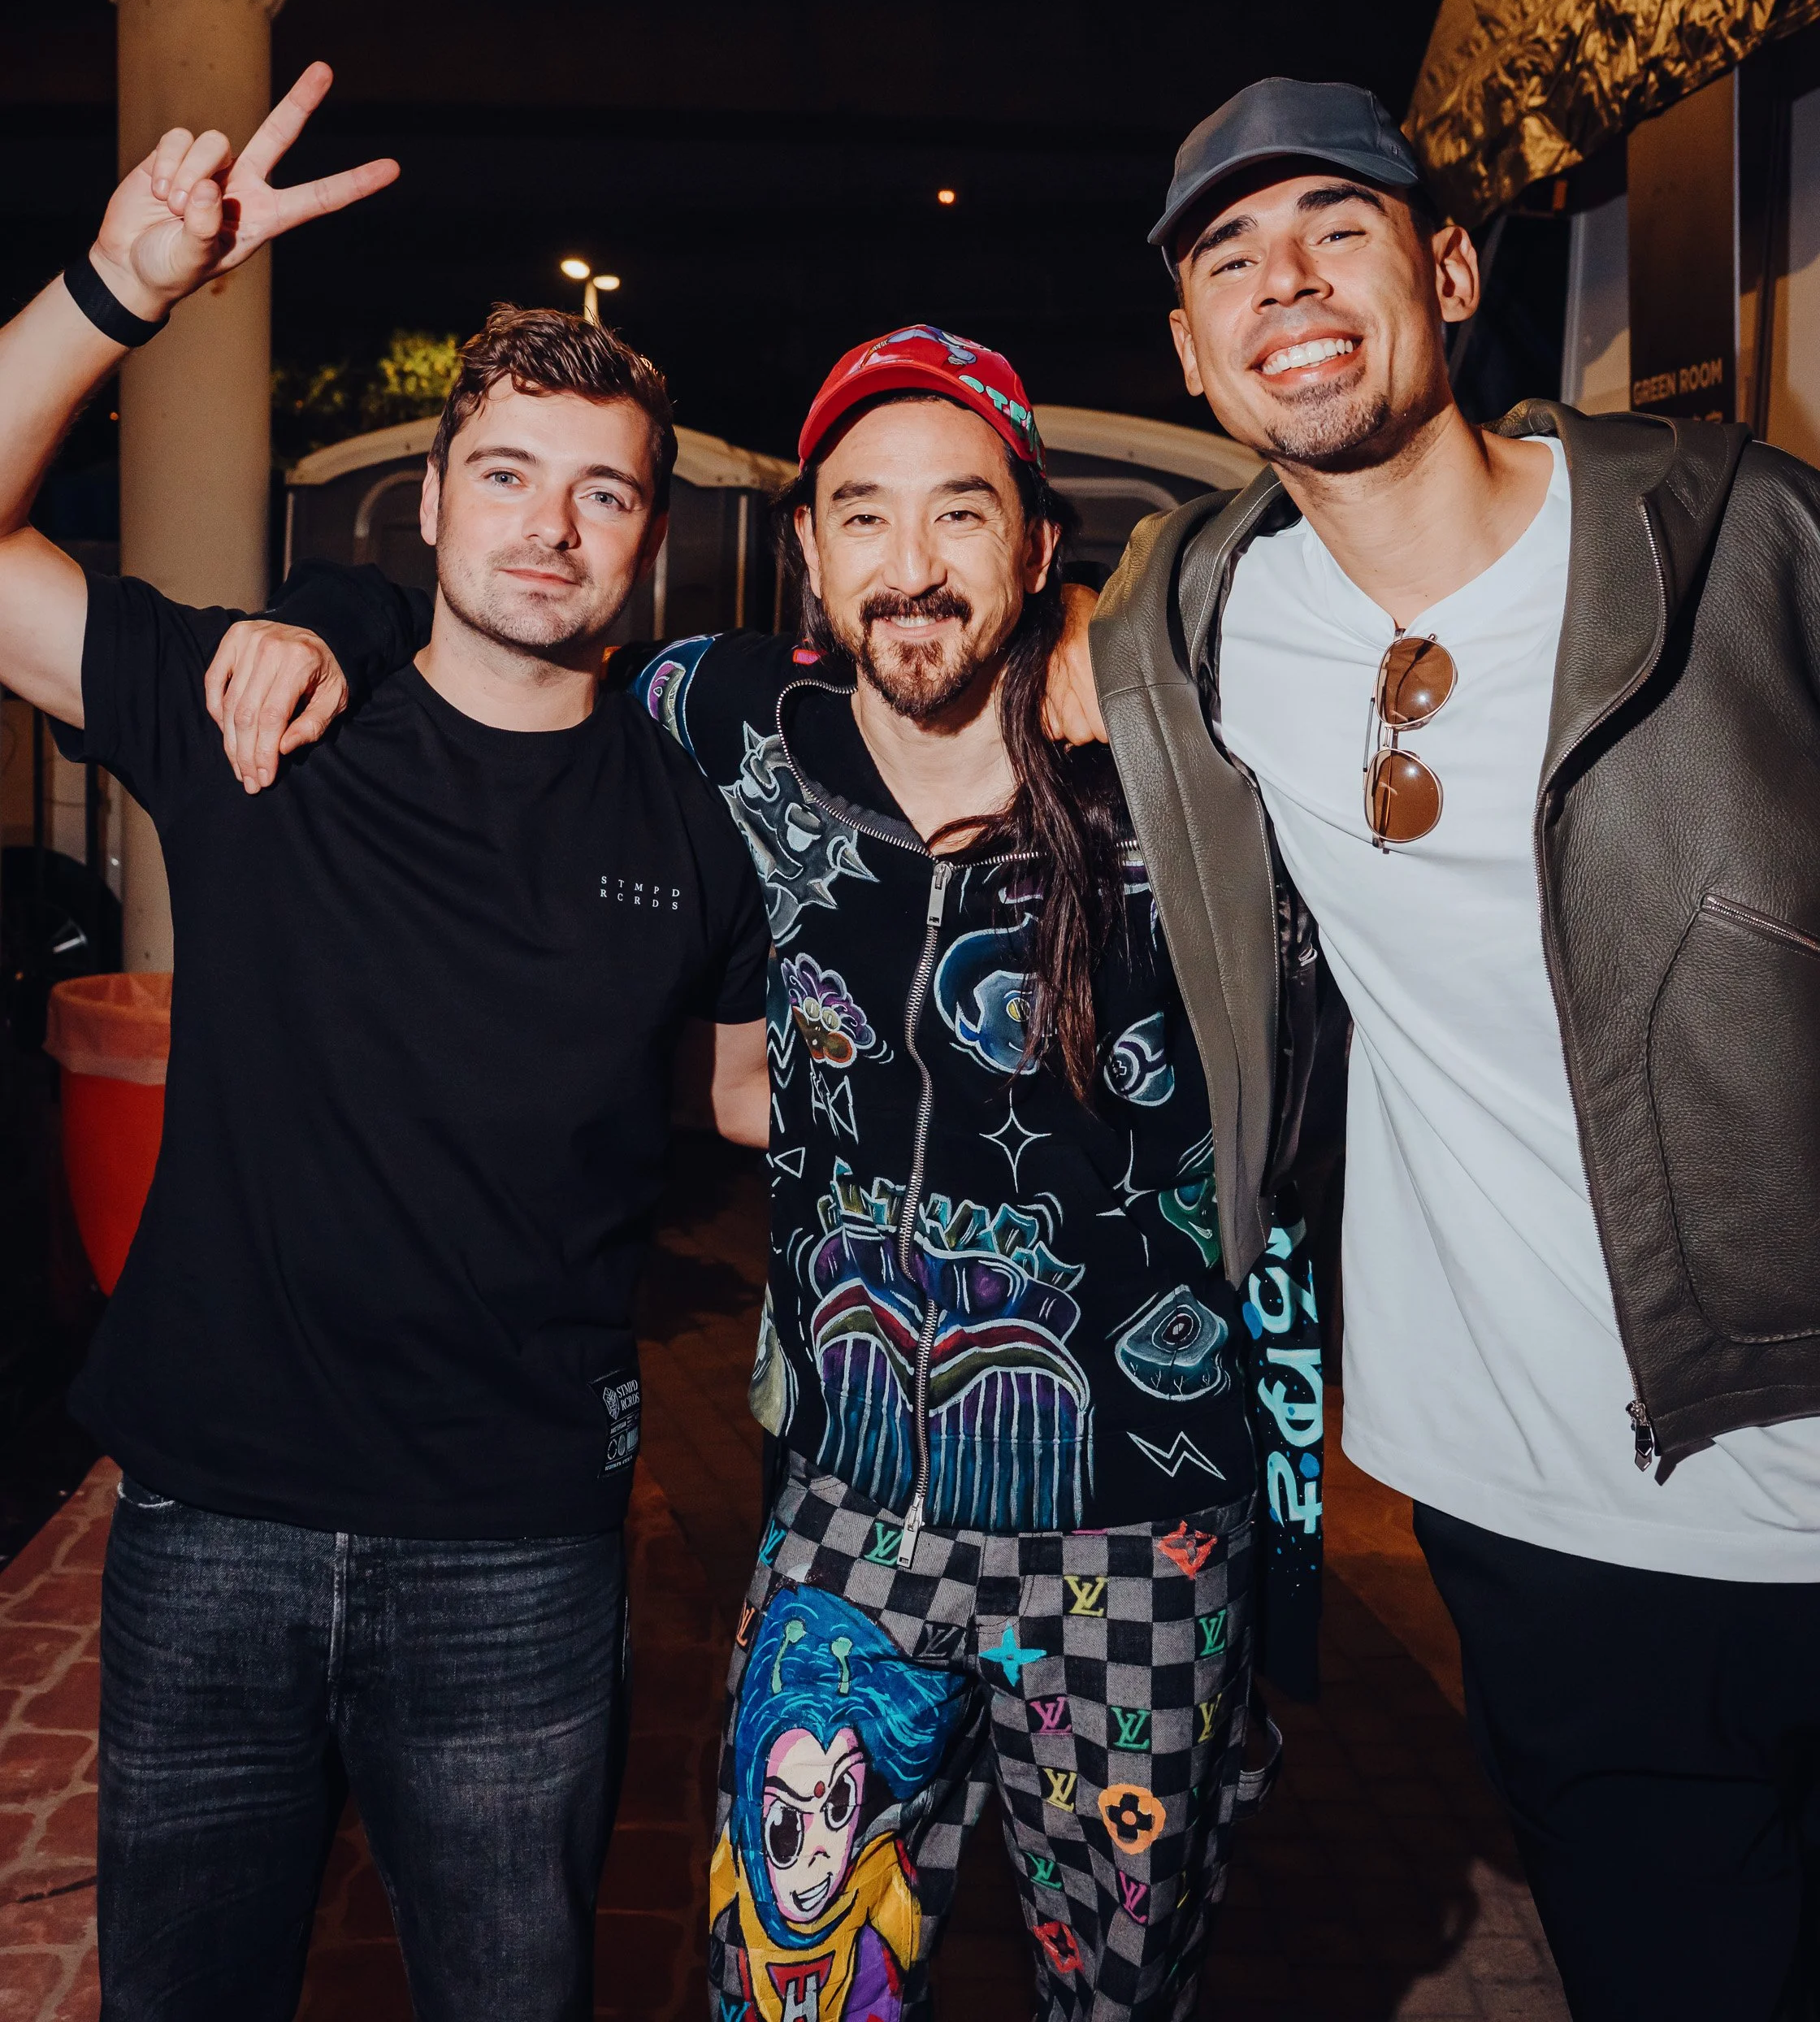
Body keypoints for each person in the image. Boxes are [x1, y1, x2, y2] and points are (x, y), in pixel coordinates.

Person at [216, 323, 1325, 2022]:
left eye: (959, 515)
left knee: (1124, 1994)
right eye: (863, 515)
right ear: (808, 550)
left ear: (1035, 548)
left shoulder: (1194, 781)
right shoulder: (723, 723)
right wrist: (336, 609)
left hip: (1141, 1530)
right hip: (844, 1524)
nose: (911, 564)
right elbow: (500, 655)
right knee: (789, 1985)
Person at [0, 65, 771, 2021]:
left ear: (648, 540)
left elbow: (745, 1086)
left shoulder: (696, 830)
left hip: (514, 1558)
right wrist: (110, 288)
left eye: (601, 489)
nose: (549, 523)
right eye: (505, 472)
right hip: (212, 1531)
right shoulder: (266, 720)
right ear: (427, 500)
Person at [1046, 76, 1820, 2021]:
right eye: (1228, 257)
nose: (1283, 283)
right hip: (1532, 1508)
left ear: (1448, 268)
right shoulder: (1189, 615)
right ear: (1191, 352)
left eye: (1335, 228)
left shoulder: (1739, 540)